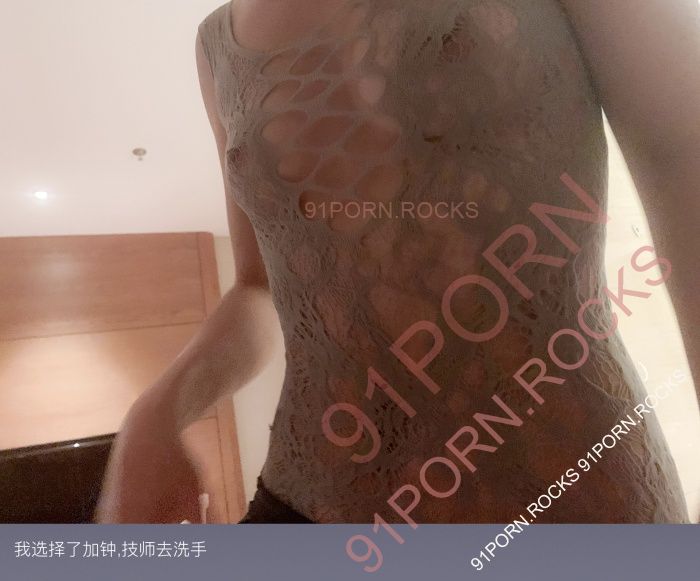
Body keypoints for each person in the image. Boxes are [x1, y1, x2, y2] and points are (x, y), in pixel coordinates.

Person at [96, 0, 700, 524]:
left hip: (572, 493)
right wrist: (157, 414)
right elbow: (258, 289)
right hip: (309, 509)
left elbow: (681, 150)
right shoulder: (213, 47)